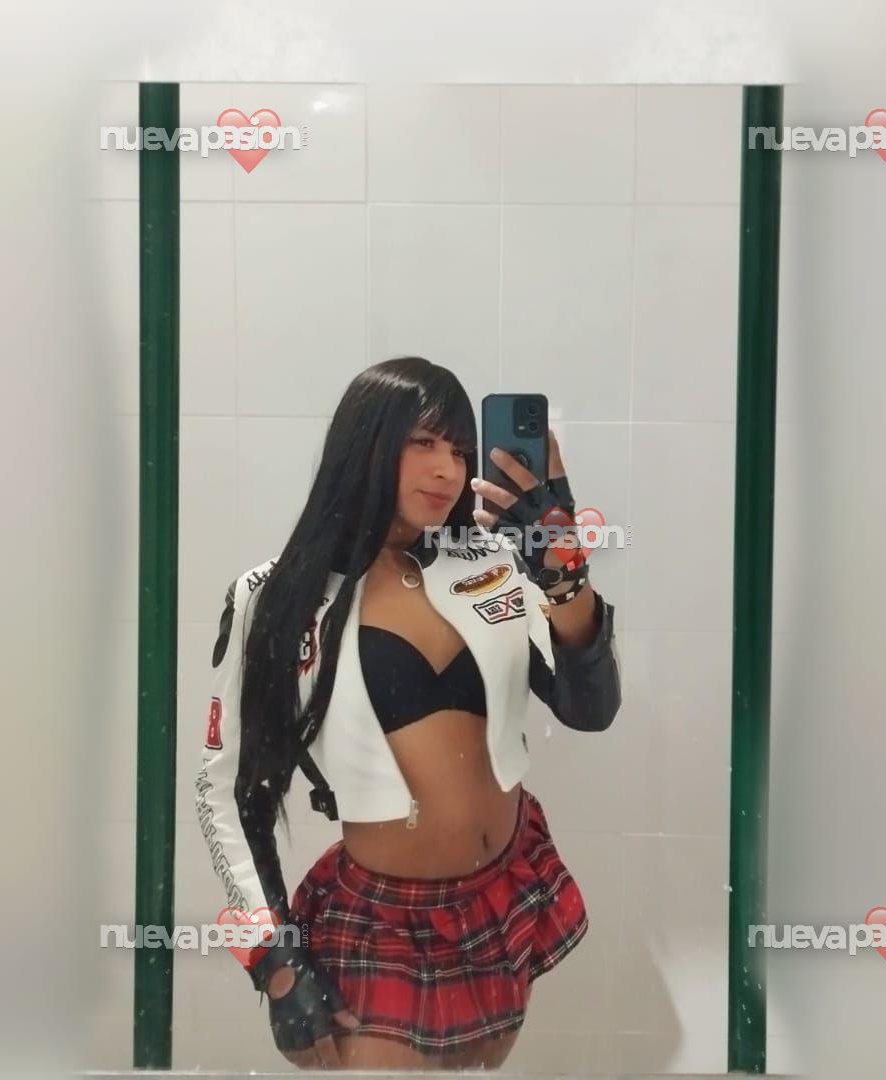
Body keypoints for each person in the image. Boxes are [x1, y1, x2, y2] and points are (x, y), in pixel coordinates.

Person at [195, 356, 621, 1071]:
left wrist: (564, 570)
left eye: (459, 449)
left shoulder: (494, 562)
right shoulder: (277, 597)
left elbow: (590, 708)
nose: (447, 469)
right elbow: (229, 791)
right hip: (381, 920)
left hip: (505, 889)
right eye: (422, 442)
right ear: (365, 442)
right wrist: (272, 958)